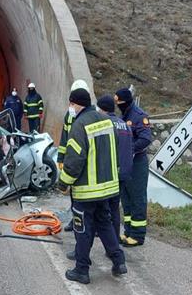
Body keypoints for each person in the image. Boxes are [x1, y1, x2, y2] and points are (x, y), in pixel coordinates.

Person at [56, 88, 127, 284]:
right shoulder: (105, 121)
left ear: (76, 103)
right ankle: (119, 260)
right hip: (107, 189)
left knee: (83, 229)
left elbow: (74, 162)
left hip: (87, 191)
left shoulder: (79, 126)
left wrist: (63, 183)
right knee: (104, 224)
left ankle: (81, 270)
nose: (70, 107)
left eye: (71, 103)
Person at [115, 87, 152, 247]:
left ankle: (138, 235)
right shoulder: (123, 115)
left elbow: (145, 139)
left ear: (127, 102)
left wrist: (129, 150)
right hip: (126, 163)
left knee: (137, 198)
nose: (119, 106)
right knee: (126, 197)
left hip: (137, 162)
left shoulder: (139, 116)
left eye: (121, 103)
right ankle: (129, 230)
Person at [97, 95, 133, 241]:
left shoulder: (104, 125)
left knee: (102, 209)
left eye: (99, 108)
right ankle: (115, 239)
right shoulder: (124, 125)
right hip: (124, 173)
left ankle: (108, 240)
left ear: (103, 109)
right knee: (115, 208)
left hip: (109, 174)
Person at [58, 79, 91, 233]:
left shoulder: (91, 116)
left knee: (87, 196)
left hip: (86, 159)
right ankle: (75, 219)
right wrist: (60, 158)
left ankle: (89, 224)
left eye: (74, 102)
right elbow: (64, 138)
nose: (71, 106)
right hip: (73, 158)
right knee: (74, 193)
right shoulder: (69, 116)